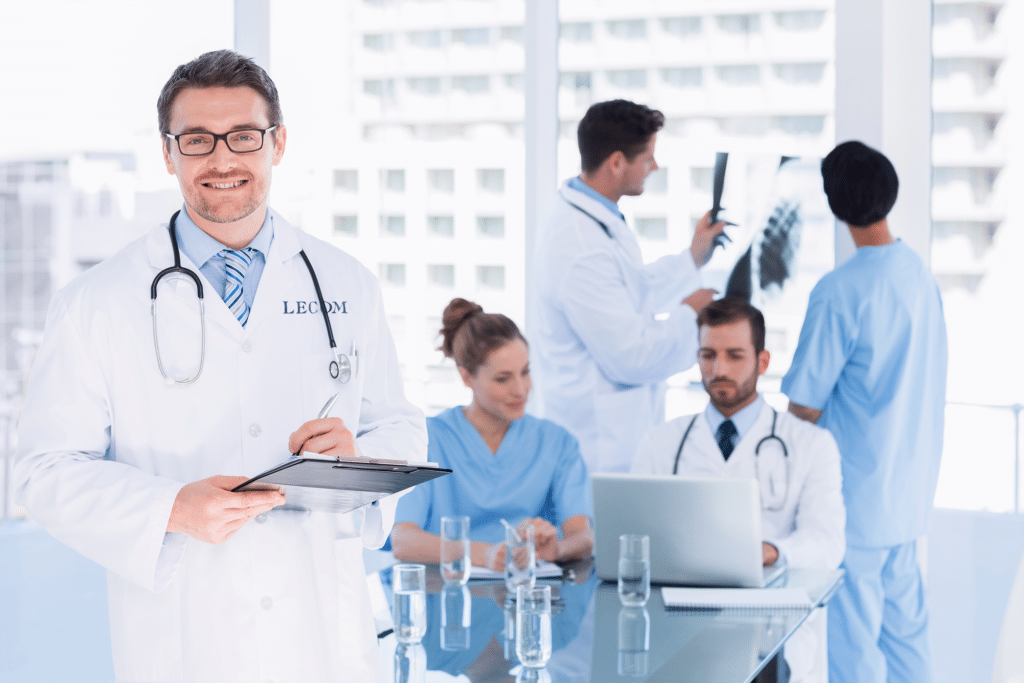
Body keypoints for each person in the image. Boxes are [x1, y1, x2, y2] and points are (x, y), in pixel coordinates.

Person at [13, 50, 427, 683]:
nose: (222, 160)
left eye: (242, 137)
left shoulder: (347, 284)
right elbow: (44, 472)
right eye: (197, 140)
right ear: (168, 152)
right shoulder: (96, 301)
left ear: (277, 143)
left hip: (321, 638)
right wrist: (171, 509)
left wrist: (357, 461)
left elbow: (397, 427)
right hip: (185, 639)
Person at [782, 141, 947, 683]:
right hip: (908, 495)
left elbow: (803, 404)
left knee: (851, 652)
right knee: (907, 643)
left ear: (835, 206)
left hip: (855, 502)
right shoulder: (919, 276)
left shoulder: (839, 292)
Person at [631, 297, 844, 683]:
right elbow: (632, 539)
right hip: (680, 624)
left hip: (770, 627)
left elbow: (828, 543)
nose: (718, 370)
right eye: (708, 355)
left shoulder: (811, 444)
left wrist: (773, 551)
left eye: (734, 355)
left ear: (762, 362)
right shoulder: (660, 443)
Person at [534, 98, 726, 474]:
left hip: (618, 442)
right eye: (648, 158)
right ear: (617, 162)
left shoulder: (596, 219)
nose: (654, 166)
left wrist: (692, 258)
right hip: (598, 451)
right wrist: (690, 313)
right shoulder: (579, 248)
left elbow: (630, 290)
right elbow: (632, 356)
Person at [391, 298, 593, 572]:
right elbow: (403, 540)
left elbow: (582, 536)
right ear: (466, 377)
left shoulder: (556, 443)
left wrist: (556, 549)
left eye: (525, 372)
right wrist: (486, 554)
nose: (520, 390)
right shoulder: (429, 439)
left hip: (526, 597)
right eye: (503, 378)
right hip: (445, 595)